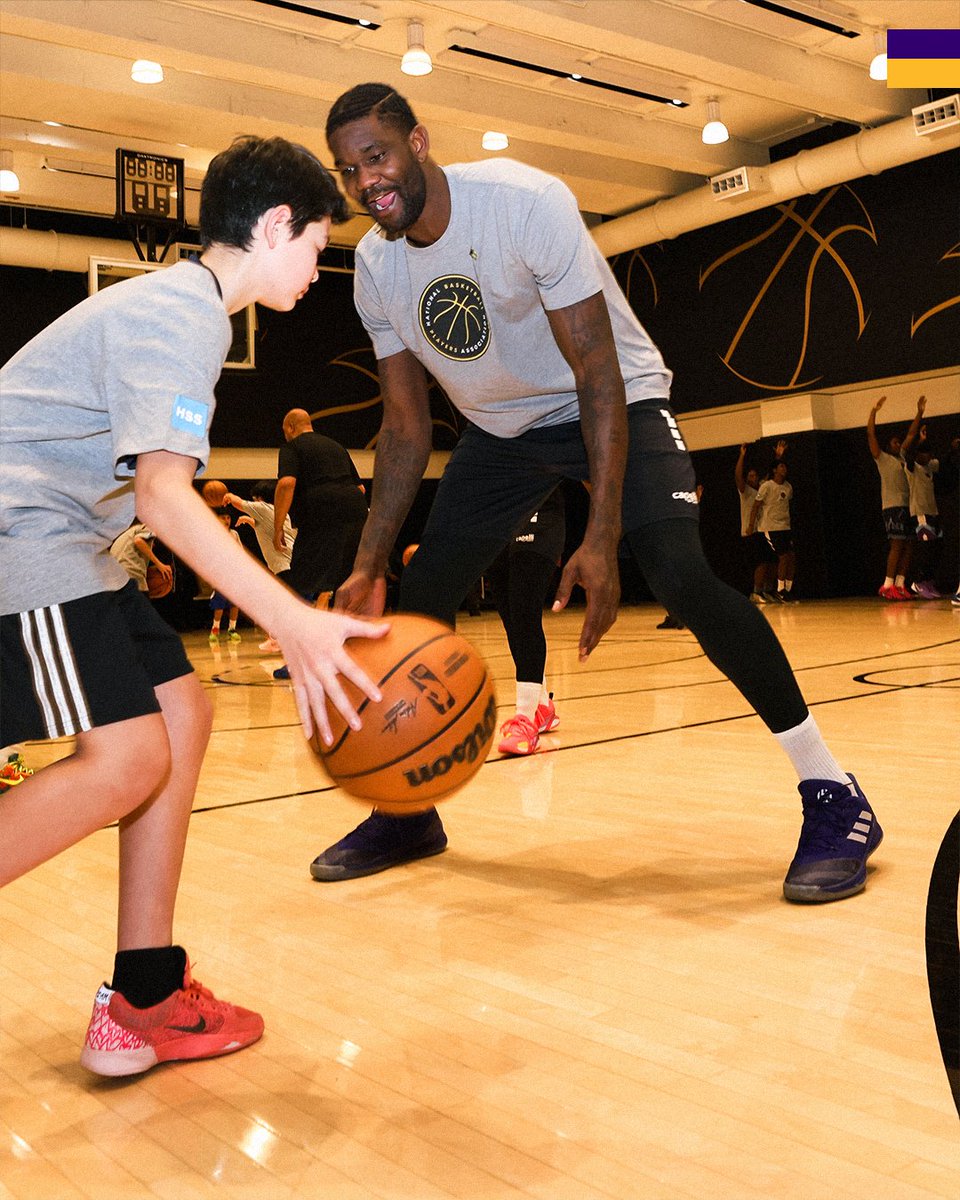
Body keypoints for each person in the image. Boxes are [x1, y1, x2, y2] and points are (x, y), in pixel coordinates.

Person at [310, 83, 881, 905]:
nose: (367, 182)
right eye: (349, 170)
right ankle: (410, 811)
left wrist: (602, 534)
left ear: (419, 142)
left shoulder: (522, 203)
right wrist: (368, 561)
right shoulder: (375, 265)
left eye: (377, 156)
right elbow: (404, 427)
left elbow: (597, 372)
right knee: (423, 596)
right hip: (500, 435)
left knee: (681, 573)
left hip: (612, 398)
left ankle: (834, 797)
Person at [0, 134, 389, 1078]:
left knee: (183, 709)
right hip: (18, 532)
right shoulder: (183, 314)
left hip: (65, 538)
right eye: (315, 245)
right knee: (127, 757)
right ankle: (142, 1001)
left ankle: (144, 997)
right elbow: (165, 500)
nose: (316, 267)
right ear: (273, 226)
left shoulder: (180, 309)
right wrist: (291, 619)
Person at [271, 410, 369, 678]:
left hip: (322, 515)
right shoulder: (336, 446)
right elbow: (360, 489)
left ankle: (298, 661)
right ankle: (346, 656)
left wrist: (278, 526)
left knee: (300, 587)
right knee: (342, 584)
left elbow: (286, 484)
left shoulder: (292, 447)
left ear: (290, 427)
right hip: (356, 512)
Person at [485, 485, 566, 755]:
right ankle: (541, 705)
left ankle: (525, 720)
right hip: (499, 516)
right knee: (511, 616)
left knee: (524, 611)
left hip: (539, 510)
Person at [224, 480, 295, 651]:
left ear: (260, 499)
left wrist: (227, 495)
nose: (254, 502)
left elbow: (238, 502)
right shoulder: (280, 512)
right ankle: (279, 639)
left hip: (284, 566)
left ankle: (285, 643)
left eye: (255, 499)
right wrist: (249, 521)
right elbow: (266, 528)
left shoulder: (263, 508)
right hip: (289, 564)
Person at [867, 395, 915, 600]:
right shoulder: (883, 459)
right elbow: (871, 435)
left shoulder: (902, 458)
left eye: (899, 442)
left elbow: (911, 435)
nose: (899, 444)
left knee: (909, 544)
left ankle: (900, 583)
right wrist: (874, 411)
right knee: (896, 543)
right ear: (888, 446)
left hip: (907, 506)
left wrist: (919, 412)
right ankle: (887, 584)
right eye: (895, 442)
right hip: (893, 506)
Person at [900, 397, 943, 599]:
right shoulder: (912, 467)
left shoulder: (930, 465)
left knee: (935, 548)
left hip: (933, 511)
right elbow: (908, 447)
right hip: (920, 513)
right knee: (925, 548)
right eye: (922, 455)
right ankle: (918, 582)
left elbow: (938, 461)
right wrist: (919, 414)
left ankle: (928, 581)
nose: (925, 458)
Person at [750, 451, 797, 603]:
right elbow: (756, 506)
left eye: (785, 466)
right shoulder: (767, 486)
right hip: (770, 527)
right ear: (775, 470)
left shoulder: (788, 487)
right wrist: (751, 525)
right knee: (783, 557)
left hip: (785, 526)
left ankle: (788, 590)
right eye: (781, 466)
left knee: (791, 557)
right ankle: (780, 590)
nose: (784, 469)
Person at [737, 441, 775, 604]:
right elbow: (738, 475)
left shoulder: (760, 488)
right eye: (750, 476)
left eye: (755, 475)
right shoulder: (745, 491)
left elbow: (770, 476)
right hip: (749, 532)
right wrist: (742, 456)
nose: (753, 477)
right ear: (747, 479)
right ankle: (755, 592)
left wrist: (778, 456)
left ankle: (767, 590)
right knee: (760, 562)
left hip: (762, 530)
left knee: (772, 561)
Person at [207, 507, 244, 641]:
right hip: (220, 574)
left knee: (235, 603)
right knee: (219, 604)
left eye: (228, 517)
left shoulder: (234, 534)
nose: (226, 520)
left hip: (235, 574)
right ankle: (215, 629)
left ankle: (232, 629)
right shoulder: (212, 534)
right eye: (223, 517)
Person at [110, 519, 174, 596]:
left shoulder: (131, 531)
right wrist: (159, 564)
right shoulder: (151, 529)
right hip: (130, 573)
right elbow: (138, 541)